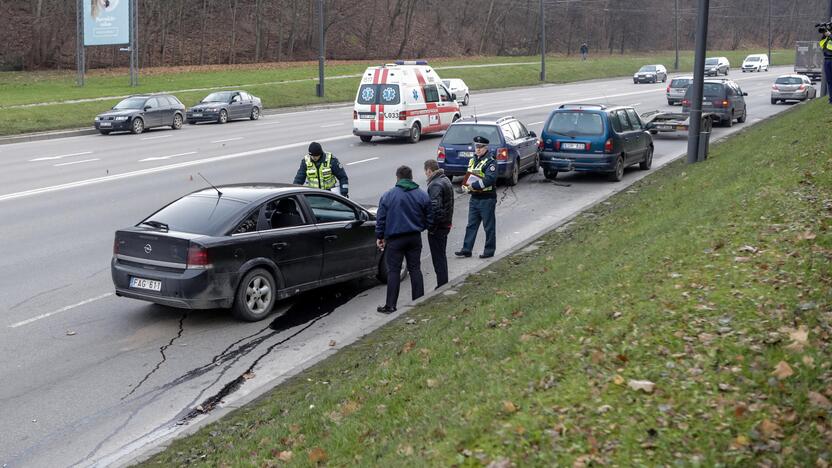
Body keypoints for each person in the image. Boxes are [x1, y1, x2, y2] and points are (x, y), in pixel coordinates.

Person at [375, 166, 431, 313]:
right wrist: (421, 227)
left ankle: (391, 305)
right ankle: (419, 301)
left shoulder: (388, 196)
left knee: (393, 271)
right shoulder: (421, 195)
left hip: (395, 240)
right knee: (415, 269)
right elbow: (429, 217)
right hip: (414, 237)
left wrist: (380, 236)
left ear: (398, 178)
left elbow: (381, 219)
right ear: (411, 177)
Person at [455, 136, 498, 259]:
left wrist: (473, 185)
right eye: (476, 147)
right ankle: (466, 249)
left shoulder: (491, 162)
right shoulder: (473, 160)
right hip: (474, 198)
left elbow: (489, 179)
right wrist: (464, 186)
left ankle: (489, 251)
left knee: (488, 226)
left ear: (486, 148)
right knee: (471, 225)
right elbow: (469, 175)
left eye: (480, 147)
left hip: (487, 199)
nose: (478, 149)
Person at [424, 159, 454, 288]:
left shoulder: (435, 185)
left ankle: (442, 284)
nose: (426, 175)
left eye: (426, 172)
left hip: (438, 227)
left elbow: (435, 208)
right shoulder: (445, 180)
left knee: (438, 257)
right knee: (441, 255)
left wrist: (430, 227)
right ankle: (443, 281)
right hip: (445, 224)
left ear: (429, 171)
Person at [821, 29, 832, 104]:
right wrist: (824, 33)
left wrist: (830, 35)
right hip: (827, 59)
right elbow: (822, 43)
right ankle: (831, 99)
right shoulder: (827, 38)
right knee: (829, 81)